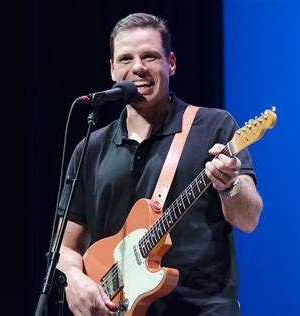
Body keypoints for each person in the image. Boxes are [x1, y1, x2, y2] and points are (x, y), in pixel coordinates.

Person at [57, 12, 263, 316]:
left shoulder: (213, 127)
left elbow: (249, 220)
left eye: (150, 56)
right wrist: (74, 279)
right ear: (112, 69)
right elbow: (65, 247)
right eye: (125, 59)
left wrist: (230, 186)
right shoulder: (90, 148)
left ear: (172, 63)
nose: (137, 67)